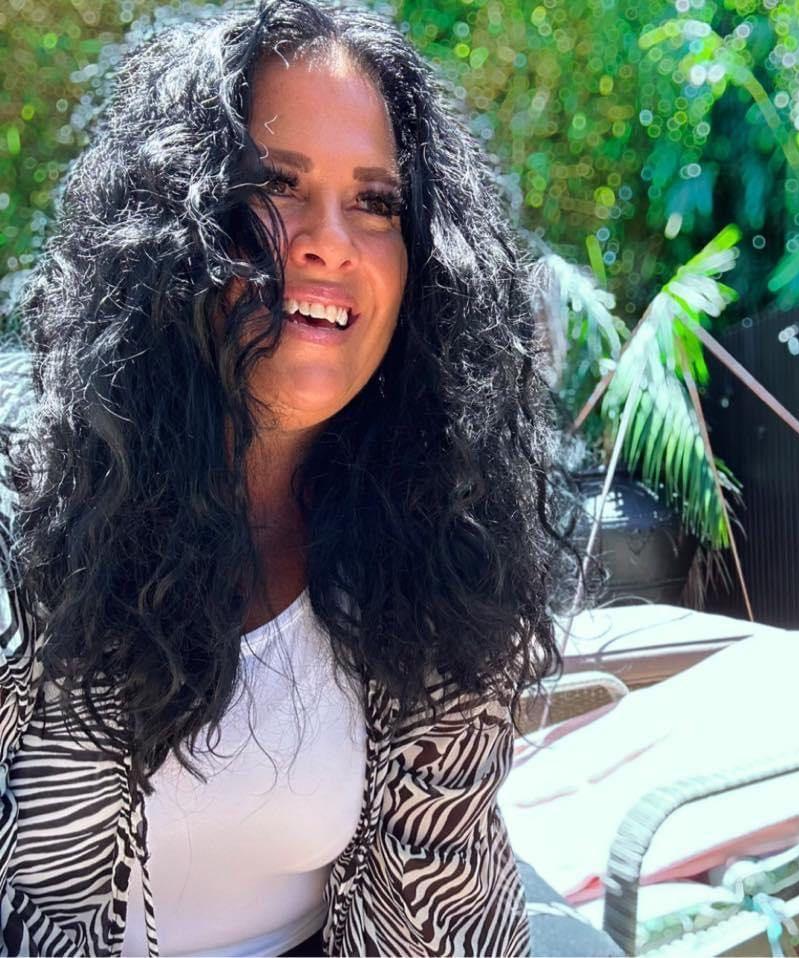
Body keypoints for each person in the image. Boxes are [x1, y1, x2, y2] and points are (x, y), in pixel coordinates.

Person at [0, 1, 582, 955]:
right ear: (169, 222)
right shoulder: (29, 498)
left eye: (377, 200)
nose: (331, 240)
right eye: (275, 184)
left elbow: (443, 905)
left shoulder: (444, 536)